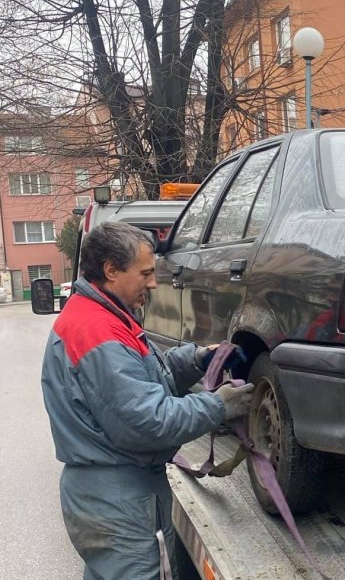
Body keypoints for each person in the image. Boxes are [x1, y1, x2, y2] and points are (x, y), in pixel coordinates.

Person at [41, 222, 254, 580]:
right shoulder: (99, 332)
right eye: (145, 273)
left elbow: (145, 378)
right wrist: (218, 405)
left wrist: (198, 359)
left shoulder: (101, 316)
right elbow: (148, 421)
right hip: (121, 500)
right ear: (111, 270)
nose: (153, 283)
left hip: (107, 492)